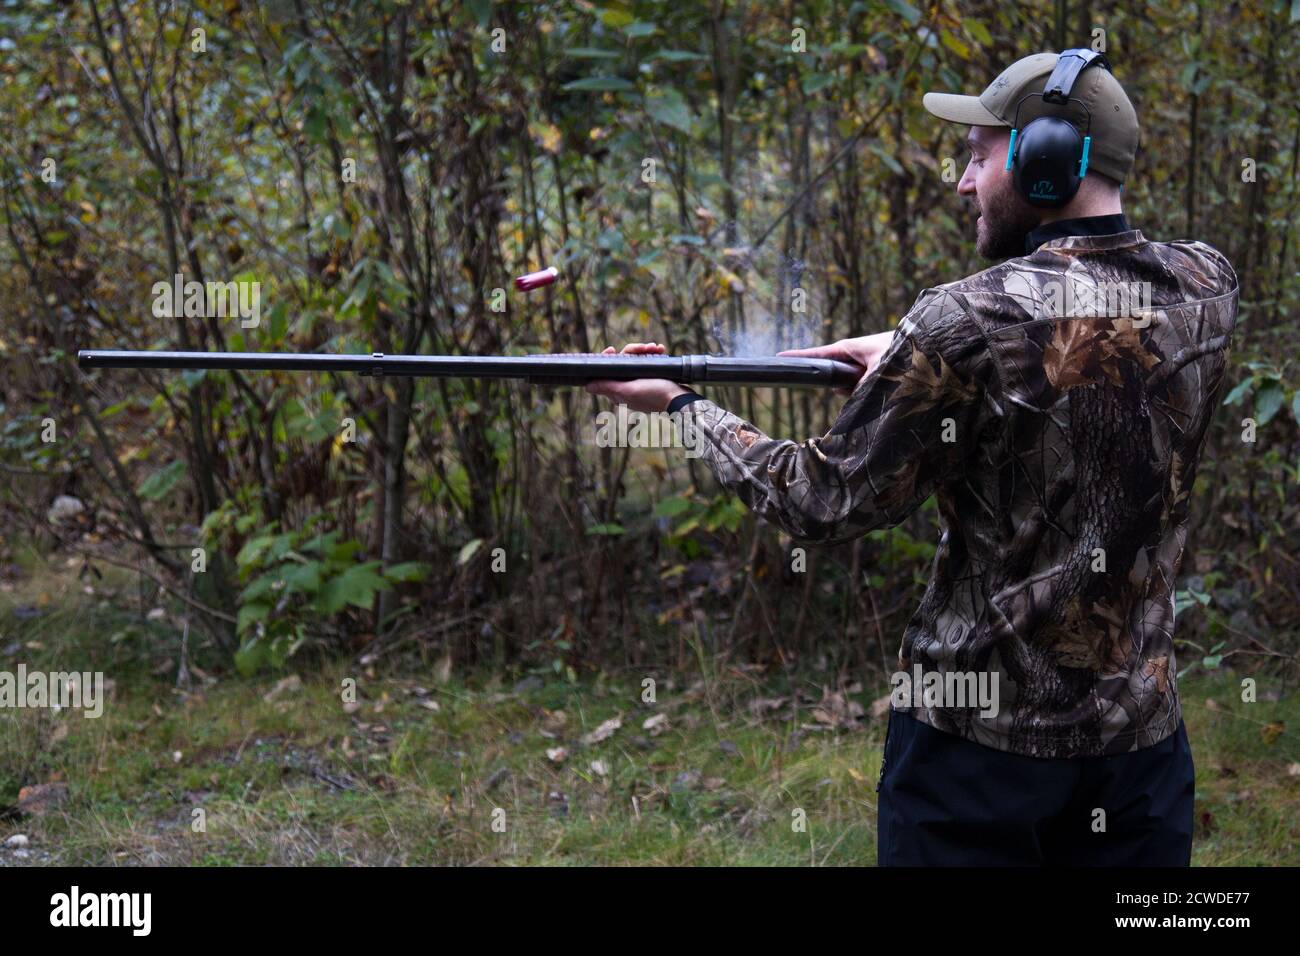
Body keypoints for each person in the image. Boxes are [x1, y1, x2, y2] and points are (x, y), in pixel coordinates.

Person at [586, 50, 1239, 866]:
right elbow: (1082, 332)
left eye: (978, 156)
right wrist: (914, 355)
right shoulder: (1207, 286)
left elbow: (816, 501)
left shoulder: (962, 323)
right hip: (1140, 755)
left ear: (1045, 157)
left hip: (977, 761)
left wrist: (680, 405)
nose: (963, 183)